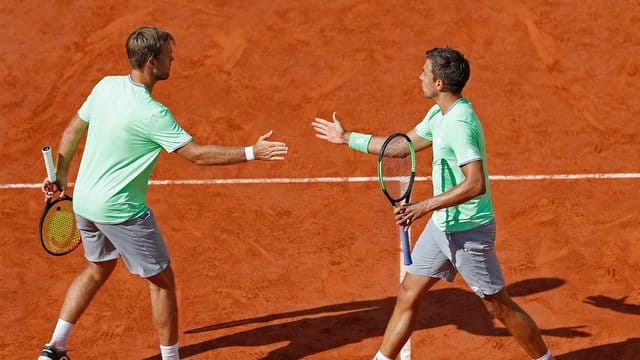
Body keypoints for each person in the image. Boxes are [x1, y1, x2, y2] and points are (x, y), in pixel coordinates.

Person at [38, 25, 288, 360]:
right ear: (153, 62)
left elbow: (71, 131)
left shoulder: (105, 86)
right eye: (170, 55)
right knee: (163, 283)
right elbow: (196, 155)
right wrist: (251, 152)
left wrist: (62, 178)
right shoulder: (153, 113)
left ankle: (54, 347)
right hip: (121, 211)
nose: (175, 59)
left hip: (84, 202)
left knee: (98, 268)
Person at [311, 47, 554, 360]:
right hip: (442, 227)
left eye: (425, 72)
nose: (420, 76)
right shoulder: (439, 114)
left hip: (468, 233)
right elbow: (401, 147)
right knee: (407, 293)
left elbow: (475, 183)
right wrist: (347, 138)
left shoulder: (459, 124)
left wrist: (423, 207)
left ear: (439, 83)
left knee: (500, 308)